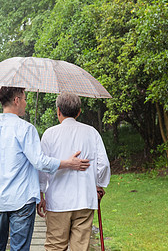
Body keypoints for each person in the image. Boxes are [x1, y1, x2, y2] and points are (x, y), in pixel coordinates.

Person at [0, 86, 91, 251]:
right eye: (24, 98)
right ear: (16, 100)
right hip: (20, 199)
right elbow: (40, 162)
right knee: (19, 248)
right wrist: (68, 163)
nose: (26, 103)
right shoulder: (25, 129)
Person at [37, 92, 111, 251]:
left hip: (57, 202)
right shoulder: (91, 132)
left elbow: (42, 167)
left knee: (55, 247)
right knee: (80, 247)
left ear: (58, 111)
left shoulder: (50, 134)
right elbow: (103, 164)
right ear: (78, 112)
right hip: (84, 199)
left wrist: (41, 193)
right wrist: (99, 184)